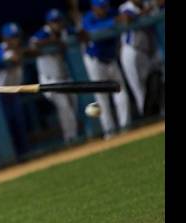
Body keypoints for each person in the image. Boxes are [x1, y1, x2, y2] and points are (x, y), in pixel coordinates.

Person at [81, 0, 131, 138]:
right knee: (102, 98)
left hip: (111, 59)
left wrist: (127, 15)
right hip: (95, 61)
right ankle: (110, 133)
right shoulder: (88, 18)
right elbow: (92, 30)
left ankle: (126, 128)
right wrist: (114, 22)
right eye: (100, 7)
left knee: (121, 93)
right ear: (93, 8)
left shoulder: (111, 13)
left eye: (104, 6)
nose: (103, 10)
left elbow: (127, 14)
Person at [29, 10, 79, 143]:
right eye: (54, 22)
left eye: (58, 21)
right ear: (49, 23)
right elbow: (32, 45)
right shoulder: (43, 33)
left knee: (74, 106)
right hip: (49, 79)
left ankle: (74, 137)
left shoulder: (65, 31)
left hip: (65, 76)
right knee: (64, 108)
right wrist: (53, 41)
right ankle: (70, 139)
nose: (57, 24)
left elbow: (79, 33)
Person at [0, 22, 29, 155]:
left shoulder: (20, 49)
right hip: (0, 93)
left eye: (16, 36)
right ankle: (11, 157)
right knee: (7, 125)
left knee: (19, 122)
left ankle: (24, 154)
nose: (15, 40)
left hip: (14, 91)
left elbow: (31, 49)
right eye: (12, 37)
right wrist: (10, 59)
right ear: (5, 38)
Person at [118, 0, 162, 116]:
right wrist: (149, 9)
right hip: (133, 51)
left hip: (150, 51)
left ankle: (158, 118)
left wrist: (153, 6)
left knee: (157, 83)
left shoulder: (148, 3)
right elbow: (126, 19)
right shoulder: (125, 7)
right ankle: (147, 121)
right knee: (140, 90)